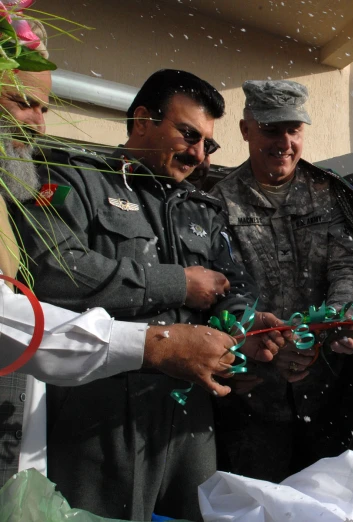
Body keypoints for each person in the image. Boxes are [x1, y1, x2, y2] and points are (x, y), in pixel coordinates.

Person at [17, 69, 258, 520]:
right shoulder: (74, 177)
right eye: (189, 135)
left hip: (189, 419)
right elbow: (52, 269)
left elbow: (233, 286)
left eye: (209, 144)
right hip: (99, 414)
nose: (199, 154)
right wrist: (176, 283)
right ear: (143, 118)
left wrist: (246, 329)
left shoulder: (201, 207)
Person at [209, 79, 353, 482]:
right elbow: (213, 291)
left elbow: (352, 271)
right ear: (246, 130)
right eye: (271, 129)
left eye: (294, 129)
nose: (284, 142)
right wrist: (258, 348)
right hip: (248, 402)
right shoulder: (215, 201)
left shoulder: (332, 195)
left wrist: (322, 330)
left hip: (328, 396)